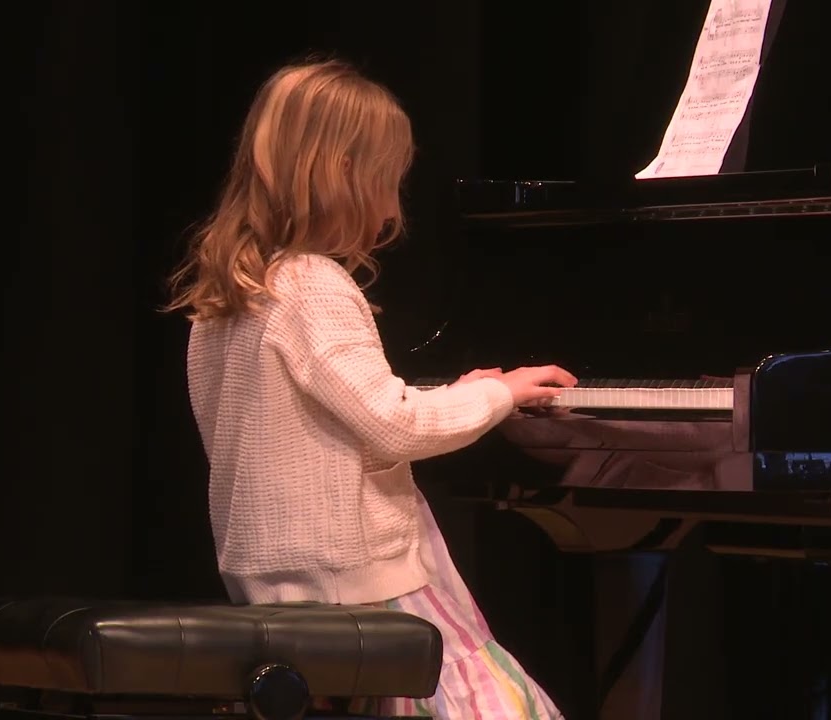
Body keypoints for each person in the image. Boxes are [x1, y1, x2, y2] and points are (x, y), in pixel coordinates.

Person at [164, 57, 573, 719]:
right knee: (497, 704)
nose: (393, 205)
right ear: (344, 174)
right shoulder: (313, 284)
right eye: (391, 180)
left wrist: (453, 390)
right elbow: (394, 425)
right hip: (353, 582)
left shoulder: (229, 299)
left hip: (272, 580)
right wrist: (500, 396)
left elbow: (327, 423)